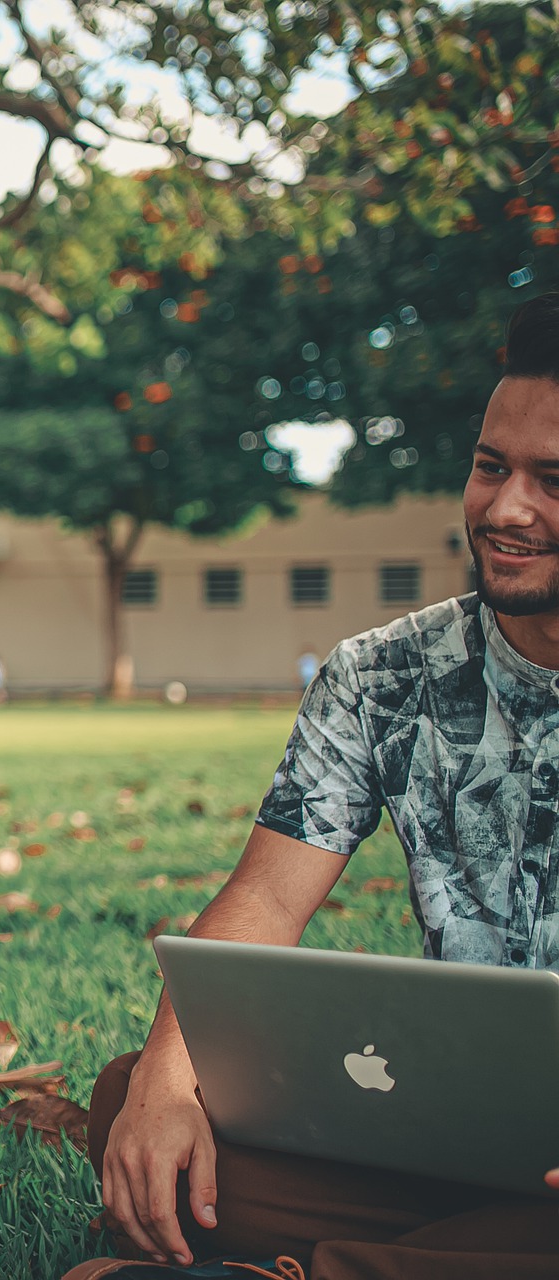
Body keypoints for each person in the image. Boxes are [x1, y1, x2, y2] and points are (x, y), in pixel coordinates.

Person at [79, 294, 559, 1280]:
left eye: (553, 481)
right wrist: (172, 1075)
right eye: (490, 466)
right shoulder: (385, 673)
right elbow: (264, 895)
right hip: (457, 1136)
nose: (505, 509)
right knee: (136, 1106)